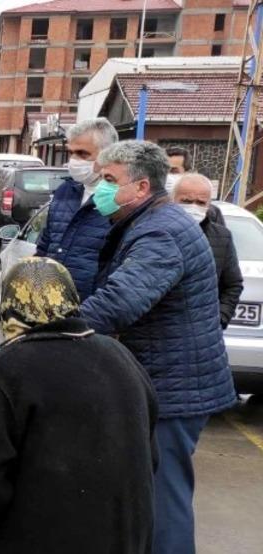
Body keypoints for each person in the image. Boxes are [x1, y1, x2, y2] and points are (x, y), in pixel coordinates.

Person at [80, 140, 237, 554]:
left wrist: (58, 328)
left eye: (110, 180)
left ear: (142, 186)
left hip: (172, 389)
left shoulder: (162, 231)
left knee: (161, 500)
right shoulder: (150, 221)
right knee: (146, 495)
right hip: (167, 379)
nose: (100, 187)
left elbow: (121, 301)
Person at [0, 257, 157, 553]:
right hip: (125, 539)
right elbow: (150, 456)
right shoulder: (120, 356)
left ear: (9, 313)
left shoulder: (10, 367)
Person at [35, 117, 118, 300]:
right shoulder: (65, 191)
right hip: (53, 305)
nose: (74, 160)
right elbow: (45, 245)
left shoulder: (120, 199)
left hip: (94, 312)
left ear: (108, 154)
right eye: (70, 153)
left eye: (82, 154)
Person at [173, 173, 243, 329]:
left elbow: (233, 285)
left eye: (200, 202)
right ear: (173, 200)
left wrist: (220, 319)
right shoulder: (156, 232)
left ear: (209, 204)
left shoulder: (222, 237)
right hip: (161, 332)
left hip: (204, 332)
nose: (193, 206)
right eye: (186, 201)